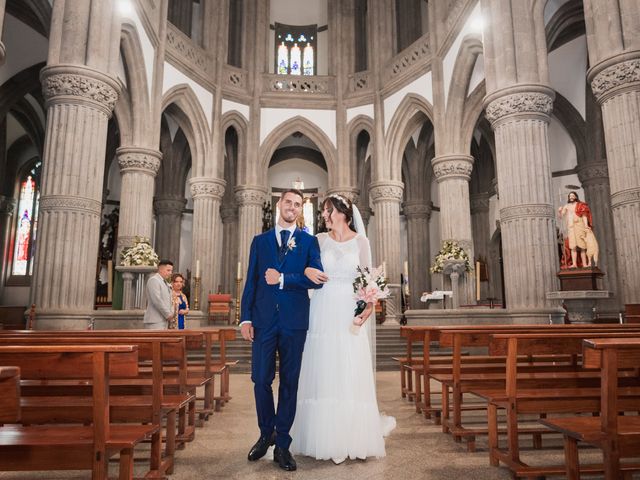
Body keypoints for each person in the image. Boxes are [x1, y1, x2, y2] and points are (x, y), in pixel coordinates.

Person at [290, 194, 396, 464]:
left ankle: (350, 436)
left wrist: (368, 307)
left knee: (348, 366)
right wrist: (305, 273)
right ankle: (319, 435)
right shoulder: (319, 241)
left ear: (342, 212)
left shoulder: (361, 242)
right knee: (322, 366)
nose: (324, 215)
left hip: (347, 309)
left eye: (328, 210)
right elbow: (304, 270)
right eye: (324, 211)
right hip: (322, 307)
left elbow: (367, 281)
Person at [240, 189, 325, 472]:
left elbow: (317, 279)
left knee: (290, 382)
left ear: (301, 210)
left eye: (297, 204)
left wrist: (284, 279)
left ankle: (284, 444)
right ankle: (267, 433)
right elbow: (251, 280)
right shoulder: (260, 241)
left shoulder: (309, 242)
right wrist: (245, 319)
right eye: (288, 202)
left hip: (293, 322)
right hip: (263, 321)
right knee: (260, 379)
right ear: (279, 205)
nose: (292, 207)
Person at [558, 191, 599, 268]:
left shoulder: (580, 205)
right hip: (571, 227)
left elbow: (584, 216)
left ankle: (584, 264)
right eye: (570, 196)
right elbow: (561, 216)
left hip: (580, 226)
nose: (571, 197)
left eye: (573, 196)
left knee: (582, 247)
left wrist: (586, 225)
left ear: (576, 197)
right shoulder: (566, 206)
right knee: (573, 247)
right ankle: (574, 264)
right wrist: (560, 211)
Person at [143, 260, 174, 329]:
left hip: (164, 320)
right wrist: (168, 314)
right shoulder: (154, 280)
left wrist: (172, 313)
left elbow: (170, 300)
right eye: (168, 270)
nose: (170, 273)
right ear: (160, 270)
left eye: (171, 271)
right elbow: (157, 300)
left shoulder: (165, 282)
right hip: (155, 321)